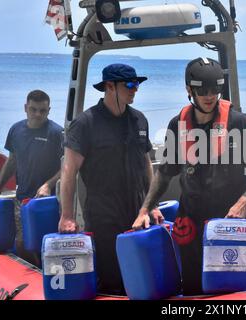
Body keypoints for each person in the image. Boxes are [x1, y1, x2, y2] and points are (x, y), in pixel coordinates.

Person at [133, 57, 246, 295]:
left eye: (214, 90)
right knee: (192, 287)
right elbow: (165, 173)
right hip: (192, 220)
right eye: (203, 90)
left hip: (231, 222)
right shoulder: (177, 125)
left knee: (233, 291)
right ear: (189, 90)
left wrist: (244, 201)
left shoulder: (240, 123)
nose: (209, 96)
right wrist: (145, 208)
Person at [58, 64, 159, 295]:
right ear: (109, 86)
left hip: (136, 212)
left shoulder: (139, 120)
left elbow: (146, 164)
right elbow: (69, 171)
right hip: (103, 213)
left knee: (141, 277)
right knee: (112, 279)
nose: (136, 89)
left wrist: (151, 205)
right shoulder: (85, 123)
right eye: (130, 85)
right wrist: (66, 216)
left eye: (138, 84)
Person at [0, 90, 63, 265]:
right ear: (25, 108)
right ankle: (35, 273)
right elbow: (12, 159)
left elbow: (66, 167)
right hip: (23, 197)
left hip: (49, 200)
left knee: (43, 243)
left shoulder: (57, 133)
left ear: (49, 110)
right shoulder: (16, 130)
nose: (37, 114)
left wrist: (47, 184)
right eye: (33, 109)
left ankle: (44, 273)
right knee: (22, 243)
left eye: (42, 110)